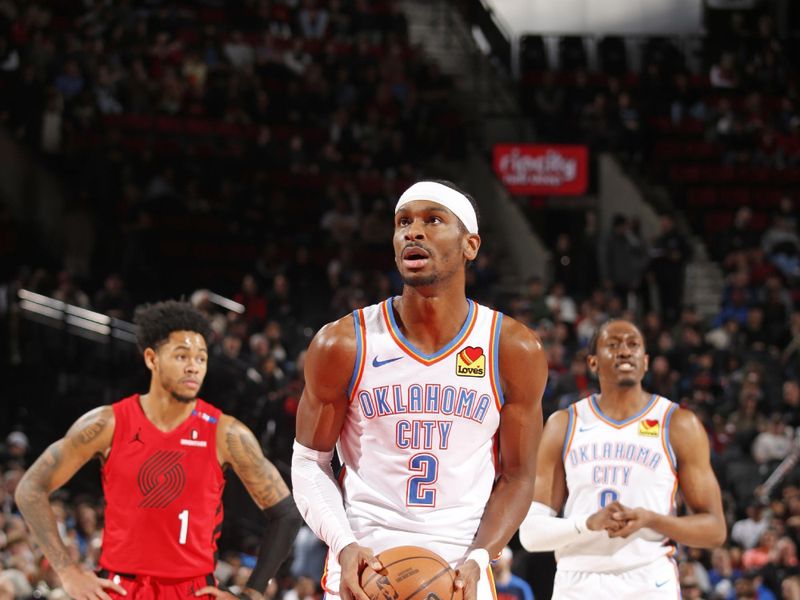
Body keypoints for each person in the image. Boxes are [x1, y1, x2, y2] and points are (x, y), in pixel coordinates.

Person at [291, 180, 547, 600]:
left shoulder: (511, 348)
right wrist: (343, 544)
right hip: (365, 571)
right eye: (403, 222)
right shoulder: (344, 343)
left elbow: (519, 476)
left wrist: (482, 557)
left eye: (433, 220)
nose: (414, 231)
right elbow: (309, 463)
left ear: (471, 245)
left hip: (460, 575)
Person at [16, 300, 302, 600]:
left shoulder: (226, 433)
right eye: (182, 356)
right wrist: (68, 571)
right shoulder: (107, 424)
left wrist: (251, 594)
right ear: (151, 358)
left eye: (201, 358)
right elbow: (30, 489)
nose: (194, 366)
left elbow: (286, 515)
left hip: (191, 590)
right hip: (118, 588)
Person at [518, 318, 726, 598]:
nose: (625, 351)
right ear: (592, 363)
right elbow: (531, 535)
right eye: (613, 345)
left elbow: (714, 529)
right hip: (578, 582)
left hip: (649, 580)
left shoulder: (678, 424)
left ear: (646, 361)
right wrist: (588, 523)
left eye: (634, 344)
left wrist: (651, 519)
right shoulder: (564, 424)